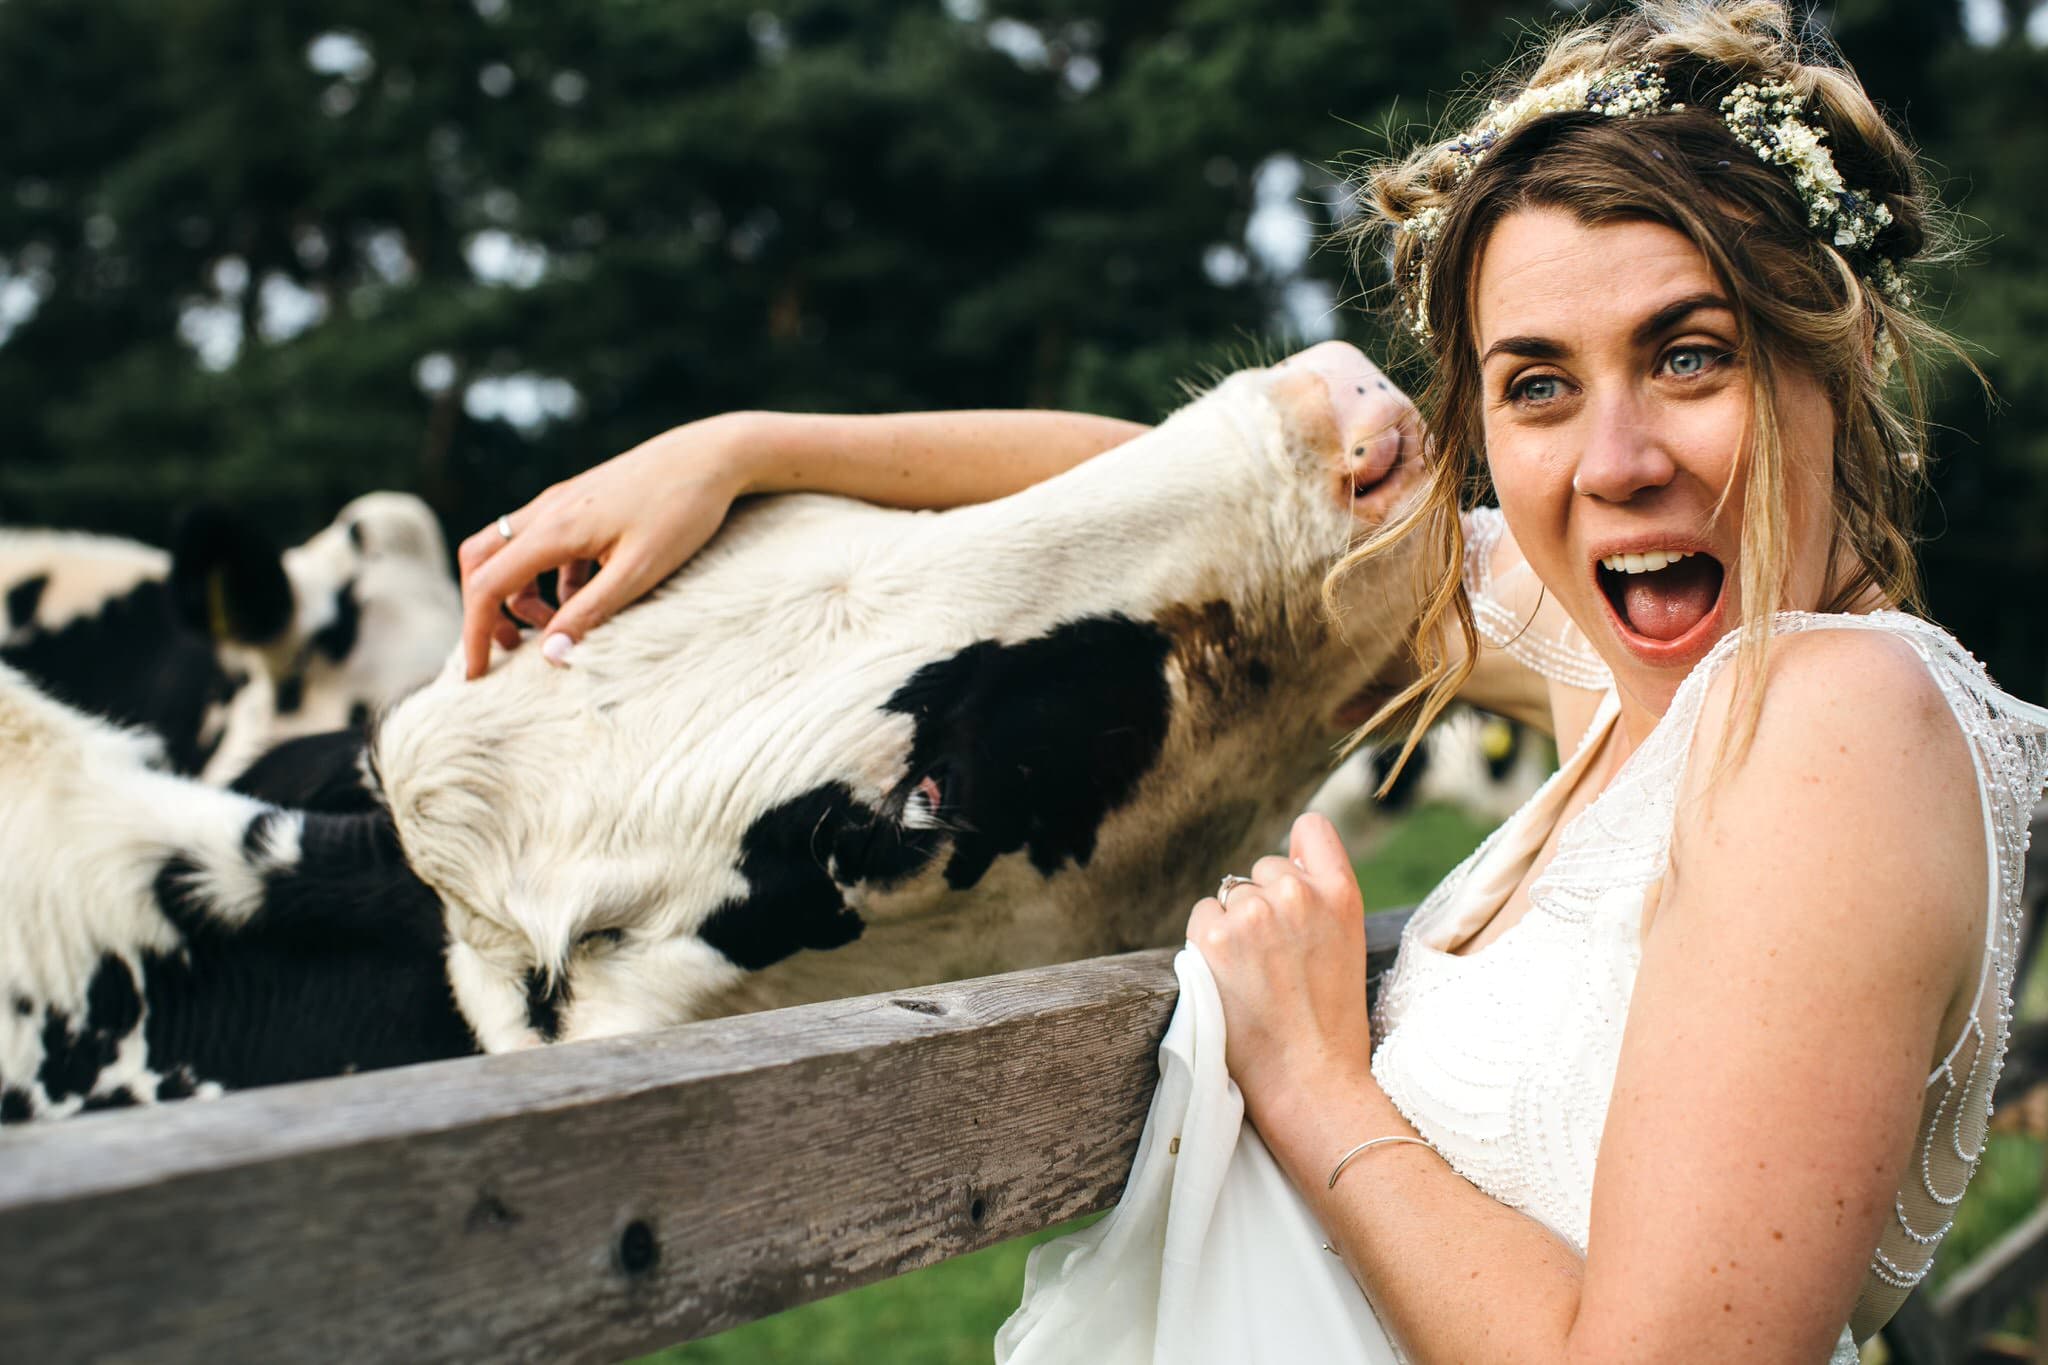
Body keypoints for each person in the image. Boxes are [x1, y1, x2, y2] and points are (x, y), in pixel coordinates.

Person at [455, 2, 2048, 1358]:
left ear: (1827, 347)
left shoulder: (1838, 720)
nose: (1615, 462)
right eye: (1539, 386)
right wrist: (749, 448)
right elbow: (1176, 508)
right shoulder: (1618, 668)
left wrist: (1312, 1075)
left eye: (1688, 353)